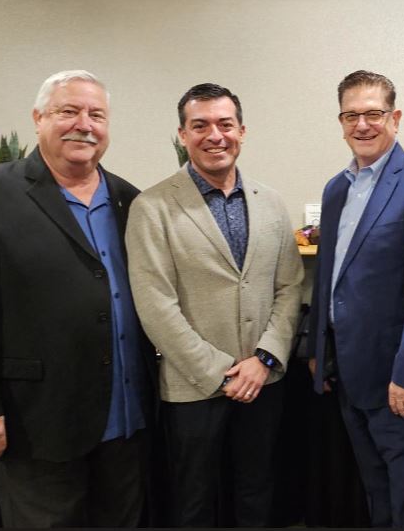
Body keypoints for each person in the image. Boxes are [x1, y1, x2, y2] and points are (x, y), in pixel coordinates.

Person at [0, 70, 156, 527]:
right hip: (38, 423)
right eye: (68, 111)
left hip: (128, 420)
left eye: (96, 115)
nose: (84, 124)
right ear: (38, 118)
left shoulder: (130, 200)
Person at [126, 83, 303, 527]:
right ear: (183, 135)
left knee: (256, 491)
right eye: (200, 125)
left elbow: (289, 287)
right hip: (194, 386)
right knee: (194, 502)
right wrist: (220, 372)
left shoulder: (271, 202)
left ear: (242, 131)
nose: (214, 135)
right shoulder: (152, 207)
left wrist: (264, 359)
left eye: (225, 124)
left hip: (262, 381)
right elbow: (155, 303)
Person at [307, 70, 404, 528]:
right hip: (349, 372)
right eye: (351, 115)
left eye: (373, 114)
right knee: (375, 488)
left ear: (395, 118)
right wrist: (318, 349)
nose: (362, 125)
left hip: (398, 378)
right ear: (340, 122)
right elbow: (327, 275)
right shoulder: (336, 189)